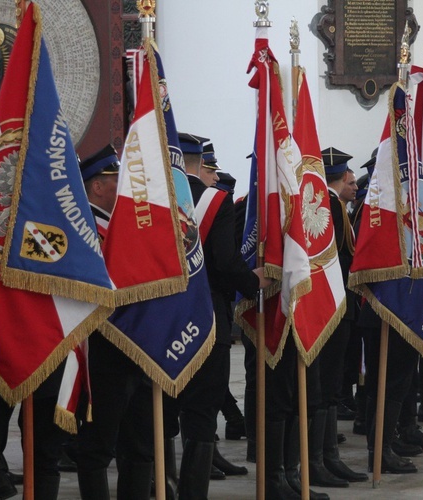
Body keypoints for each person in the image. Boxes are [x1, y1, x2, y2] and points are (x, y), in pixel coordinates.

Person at [162, 133, 268, 500]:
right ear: (201, 166)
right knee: (202, 415)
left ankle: (159, 486)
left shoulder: (156, 199)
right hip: (208, 321)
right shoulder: (215, 200)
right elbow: (224, 262)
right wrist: (251, 282)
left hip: (162, 325)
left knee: (160, 415)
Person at [75, 144, 157, 500]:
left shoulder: (125, 227)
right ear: (97, 187)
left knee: (140, 446)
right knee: (97, 447)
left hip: (139, 348)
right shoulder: (82, 227)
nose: (123, 184)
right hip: (102, 354)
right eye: (115, 178)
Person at [305, 148, 367, 488]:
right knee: (325, 385)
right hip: (331, 307)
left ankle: (327, 456)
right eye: (350, 178)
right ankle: (318, 459)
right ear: (340, 175)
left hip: (337, 306)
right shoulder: (328, 206)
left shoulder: (334, 206)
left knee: (329, 386)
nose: (354, 184)